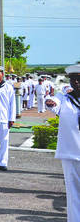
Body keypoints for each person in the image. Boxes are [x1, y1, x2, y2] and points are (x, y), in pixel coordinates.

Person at [45, 64, 79, 222]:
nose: (76, 82)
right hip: (70, 152)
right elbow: (52, 102)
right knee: (72, 193)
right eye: (73, 79)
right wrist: (50, 102)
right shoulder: (63, 99)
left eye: (79, 79)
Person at [0, 66, 16, 171]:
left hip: (5, 118)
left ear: (2, 74)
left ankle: (3, 162)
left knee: (4, 140)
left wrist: (12, 118)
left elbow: (12, 104)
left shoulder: (8, 87)